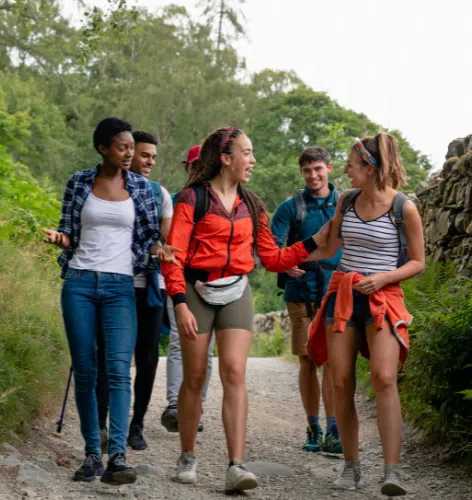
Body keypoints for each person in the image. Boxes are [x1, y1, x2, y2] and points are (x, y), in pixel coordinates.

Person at [162, 127, 331, 491]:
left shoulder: (253, 205)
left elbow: (271, 258)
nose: (252, 160)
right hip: (196, 290)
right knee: (194, 377)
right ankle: (188, 456)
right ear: (226, 158)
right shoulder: (192, 199)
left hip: (237, 290)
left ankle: (235, 466)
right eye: (247, 153)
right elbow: (173, 255)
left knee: (235, 372)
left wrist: (315, 241)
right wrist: (179, 302)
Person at [42, 117, 173, 485]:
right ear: (102, 148)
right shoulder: (79, 182)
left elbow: (149, 238)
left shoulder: (144, 189)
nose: (129, 153)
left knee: (118, 371)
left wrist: (160, 250)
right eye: (122, 147)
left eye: (131, 147)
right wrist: (59, 238)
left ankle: (117, 455)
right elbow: (69, 229)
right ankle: (90, 455)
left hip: (121, 286)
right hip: (80, 283)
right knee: (85, 370)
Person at [305, 133, 425, 496]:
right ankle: (351, 467)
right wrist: (286, 259)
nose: (345, 170)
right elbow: (331, 245)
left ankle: (392, 472)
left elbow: (418, 262)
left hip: (383, 298)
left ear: (370, 169)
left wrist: (383, 278)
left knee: (384, 378)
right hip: (343, 294)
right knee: (339, 381)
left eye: (352, 165)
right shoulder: (346, 200)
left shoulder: (404, 208)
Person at [270, 146, 342, 454]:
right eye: (307, 171)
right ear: (302, 172)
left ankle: (334, 429)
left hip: (337, 290)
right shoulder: (290, 207)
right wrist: (286, 263)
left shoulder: (346, 203)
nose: (313, 176)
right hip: (300, 293)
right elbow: (270, 249)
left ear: (329, 167)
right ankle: (313, 426)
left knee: (333, 361)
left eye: (318, 169)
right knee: (308, 360)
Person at [161, 145, 215, 434]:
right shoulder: (173, 201)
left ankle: (196, 408)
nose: (197, 171)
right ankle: (174, 405)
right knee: (178, 341)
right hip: (180, 281)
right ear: (187, 168)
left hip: (212, 285)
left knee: (205, 351)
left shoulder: (220, 201)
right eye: (192, 166)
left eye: (201, 165)